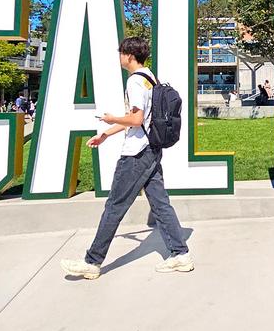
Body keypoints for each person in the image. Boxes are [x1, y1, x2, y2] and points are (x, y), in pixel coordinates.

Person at [61, 37, 193, 280]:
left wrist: (112, 119)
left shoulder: (134, 82)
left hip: (135, 154)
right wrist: (106, 134)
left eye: (121, 53)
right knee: (160, 203)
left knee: (114, 207)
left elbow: (135, 120)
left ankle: (92, 262)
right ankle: (180, 255)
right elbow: (137, 119)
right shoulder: (149, 77)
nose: (119, 57)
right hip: (151, 148)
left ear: (129, 55)